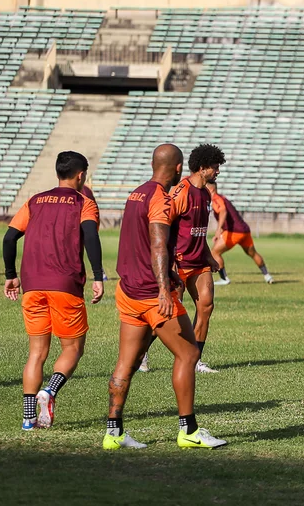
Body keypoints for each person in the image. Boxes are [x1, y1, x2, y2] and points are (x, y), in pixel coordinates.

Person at [103, 143, 226, 450]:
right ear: (179, 168)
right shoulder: (161, 198)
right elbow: (158, 245)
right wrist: (163, 290)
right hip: (151, 294)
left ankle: (113, 433)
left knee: (125, 363)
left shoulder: (137, 193)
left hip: (128, 290)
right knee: (188, 354)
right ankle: (189, 431)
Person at [2, 151, 104, 430]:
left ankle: (27, 418)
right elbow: (91, 236)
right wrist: (98, 275)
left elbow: (10, 237)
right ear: (81, 175)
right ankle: (50, 391)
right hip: (65, 284)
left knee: (36, 352)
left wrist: (11, 275)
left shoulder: (35, 200)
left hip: (32, 285)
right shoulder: (83, 202)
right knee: (73, 347)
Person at [141, 144, 225, 375]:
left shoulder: (205, 193)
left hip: (199, 262)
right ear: (202, 167)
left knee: (206, 306)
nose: (218, 172)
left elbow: (198, 230)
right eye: (215, 167)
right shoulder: (181, 192)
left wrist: (209, 255)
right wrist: (168, 263)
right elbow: (163, 228)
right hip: (179, 263)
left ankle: (196, 359)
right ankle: (141, 352)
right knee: (166, 315)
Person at [207, 182, 272, 286]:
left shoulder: (216, 199)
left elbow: (223, 212)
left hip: (234, 232)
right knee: (253, 253)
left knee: (215, 252)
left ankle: (224, 279)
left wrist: (218, 230)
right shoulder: (223, 198)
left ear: (211, 189)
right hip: (244, 231)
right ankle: (267, 276)